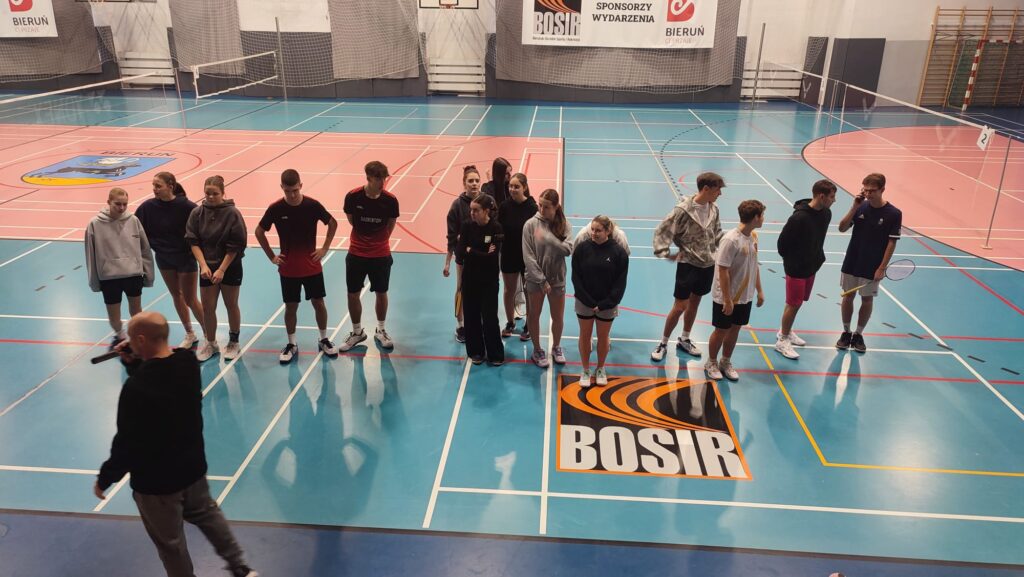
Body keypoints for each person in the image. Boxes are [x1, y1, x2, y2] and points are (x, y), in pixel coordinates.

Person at [94, 312, 257, 577]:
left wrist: (105, 477)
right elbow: (160, 377)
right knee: (208, 515)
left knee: (171, 544)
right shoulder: (187, 363)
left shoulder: (135, 388)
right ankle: (240, 567)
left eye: (133, 339)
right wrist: (135, 362)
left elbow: (126, 443)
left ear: (141, 340)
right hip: (192, 469)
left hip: (157, 484)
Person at [255, 169, 340, 363]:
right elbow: (259, 232)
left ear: (301, 185)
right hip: (288, 269)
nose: (292, 195)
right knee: (291, 307)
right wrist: (271, 256)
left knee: (319, 303)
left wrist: (325, 248)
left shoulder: (312, 205)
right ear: (282, 188)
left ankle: (323, 339)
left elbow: (332, 223)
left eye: (295, 190)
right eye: (287, 191)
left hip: (312, 267)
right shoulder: (276, 208)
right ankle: (292, 344)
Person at [650, 172, 725, 362]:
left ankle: (684, 338)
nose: (720, 194)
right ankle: (663, 343)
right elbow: (662, 231)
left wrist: (728, 248)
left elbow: (717, 233)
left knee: (695, 302)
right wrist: (666, 253)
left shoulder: (714, 208)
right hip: (688, 265)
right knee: (679, 306)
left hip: (707, 264)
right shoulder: (682, 210)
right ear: (706, 189)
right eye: (717, 190)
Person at [136, 171, 206, 349]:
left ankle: (209, 334)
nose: (155, 189)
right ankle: (190, 333)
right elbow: (135, 227)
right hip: (164, 258)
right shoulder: (147, 207)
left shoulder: (187, 207)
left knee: (190, 299)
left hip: (185, 258)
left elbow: (201, 230)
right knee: (176, 295)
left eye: (158, 186)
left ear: (170, 186)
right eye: (153, 186)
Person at [837, 173, 902, 353]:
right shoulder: (860, 207)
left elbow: (892, 242)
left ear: (882, 190)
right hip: (852, 260)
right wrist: (854, 207)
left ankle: (858, 334)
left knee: (866, 299)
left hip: (872, 265)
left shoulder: (894, 214)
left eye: (872, 191)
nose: (868, 194)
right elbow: (842, 228)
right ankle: (846, 332)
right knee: (847, 296)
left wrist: (882, 267)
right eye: (865, 190)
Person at [340, 160, 400, 351]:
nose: (383, 182)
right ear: (369, 178)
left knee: (381, 293)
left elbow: (390, 224)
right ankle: (357, 332)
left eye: (384, 178)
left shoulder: (390, 200)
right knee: (353, 294)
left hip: (380, 254)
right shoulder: (353, 197)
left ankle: (381, 330)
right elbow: (352, 220)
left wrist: (378, 241)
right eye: (379, 179)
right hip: (356, 253)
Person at [185, 175, 247, 362]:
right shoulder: (197, 213)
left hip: (230, 267)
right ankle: (211, 343)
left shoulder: (233, 214)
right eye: (208, 193)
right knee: (208, 307)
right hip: (207, 269)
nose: (211, 197)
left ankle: (234, 342)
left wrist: (222, 269)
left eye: (215, 193)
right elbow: (193, 241)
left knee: (231, 304)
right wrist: (203, 265)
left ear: (223, 193)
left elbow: (236, 245)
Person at [84, 187, 155, 349]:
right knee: (114, 316)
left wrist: (148, 275)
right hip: (109, 279)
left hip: (133, 275)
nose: (122, 208)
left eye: (125, 204)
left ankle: (137, 336)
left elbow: (145, 249)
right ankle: (120, 335)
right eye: (117, 204)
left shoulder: (133, 220)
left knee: (136, 311)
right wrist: (94, 282)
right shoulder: (94, 224)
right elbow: (90, 255)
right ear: (108, 202)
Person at [775, 179, 837, 360]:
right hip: (796, 268)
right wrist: (794, 261)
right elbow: (782, 245)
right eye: (832, 197)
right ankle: (782, 340)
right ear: (821, 196)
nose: (834, 200)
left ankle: (786, 330)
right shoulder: (798, 218)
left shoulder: (826, 214)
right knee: (793, 304)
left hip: (812, 265)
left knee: (798, 302)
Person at [705, 200, 766, 382]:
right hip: (727, 297)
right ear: (755, 217)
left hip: (744, 296)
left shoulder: (753, 237)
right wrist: (727, 299)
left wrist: (759, 290)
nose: (763, 219)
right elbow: (722, 270)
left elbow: (754, 266)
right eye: (762, 215)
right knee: (721, 330)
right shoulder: (731, 240)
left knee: (735, 329)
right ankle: (711, 362)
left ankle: (725, 361)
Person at [571, 215, 628, 387]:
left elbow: (620, 283)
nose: (594, 233)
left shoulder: (619, 252)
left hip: (607, 305)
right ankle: (585, 369)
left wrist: (605, 303)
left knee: (603, 337)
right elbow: (576, 278)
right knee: (585, 335)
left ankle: (601, 368)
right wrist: (588, 301)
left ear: (608, 231)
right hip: (584, 303)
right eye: (592, 230)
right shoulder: (582, 249)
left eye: (598, 230)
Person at [522, 188, 572, 368]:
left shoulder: (564, 225)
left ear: (556, 206)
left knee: (557, 316)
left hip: (557, 278)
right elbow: (528, 257)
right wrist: (541, 280)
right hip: (535, 280)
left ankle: (556, 347)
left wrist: (549, 238)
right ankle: (537, 350)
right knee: (534, 315)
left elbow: (568, 250)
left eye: (546, 207)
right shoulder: (530, 225)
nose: (542, 210)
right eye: (540, 205)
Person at [457, 194, 504, 365]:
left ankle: (495, 354)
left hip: (489, 281)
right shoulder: (466, 226)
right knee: (471, 316)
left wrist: (472, 251)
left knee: (490, 317)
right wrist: (481, 253)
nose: (472, 213)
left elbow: (492, 257)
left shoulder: (496, 228)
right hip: (470, 279)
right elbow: (460, 251)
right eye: (471, 210)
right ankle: (476, 351)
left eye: (476, 210)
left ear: (486, 211)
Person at [496, 172, 537, 339]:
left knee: (528, 291)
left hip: (527, 256)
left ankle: (529, 325)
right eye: (510, 186)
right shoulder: (504, 206)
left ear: (524, 187)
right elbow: (498, 229)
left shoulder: (532, 208)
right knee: (509, 290)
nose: (512, 189)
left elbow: (537, 233)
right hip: (508, 253)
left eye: (516, 186)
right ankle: (510, 322)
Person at [443, 165, 481, 343]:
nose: (474, 184)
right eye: (470, 181)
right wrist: (447, 263)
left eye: (477, 181)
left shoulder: (486, 201)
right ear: (464, 183)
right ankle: (460, 325)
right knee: (461, 289)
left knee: (480, 290)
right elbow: (451, 237)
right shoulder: (457, 206)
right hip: (463, 258)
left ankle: (477, 321)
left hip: (482, 257)